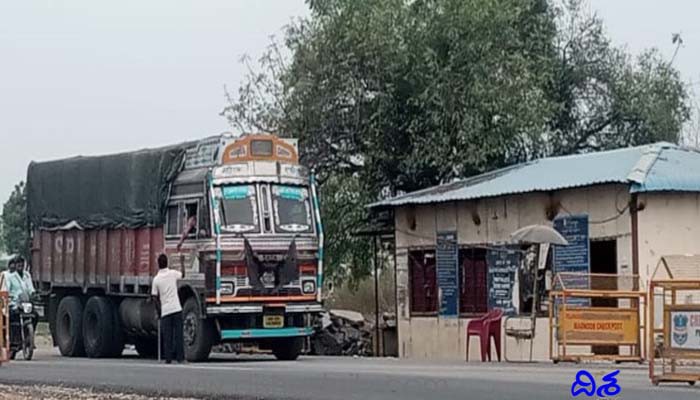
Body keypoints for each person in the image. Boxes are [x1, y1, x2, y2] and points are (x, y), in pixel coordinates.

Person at [151, 253, 185, 364]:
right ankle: (180, 358)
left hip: (165, 311)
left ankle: (168, 358)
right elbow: (183, 274)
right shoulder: (172, 274)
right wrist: (182, 262)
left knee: (167, 336)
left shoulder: (156, 279)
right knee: (179, 335)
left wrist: (158, 310)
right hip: (176, 308)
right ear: (167, 263)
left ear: (158, 264)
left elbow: (154, 297)